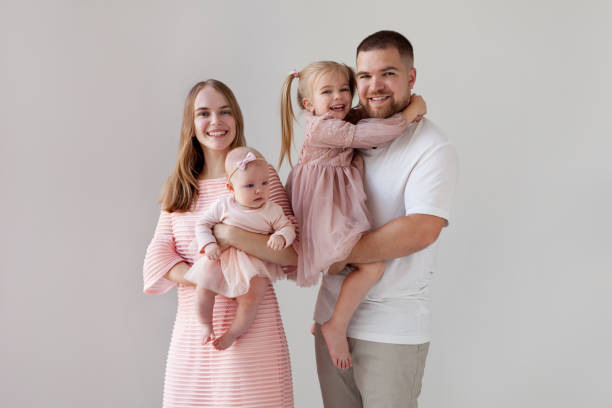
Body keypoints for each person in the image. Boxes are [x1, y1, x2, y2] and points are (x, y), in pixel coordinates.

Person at [312, 31, 459, 408]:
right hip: (331, 320)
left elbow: (421, 229)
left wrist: (339, 253)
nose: (374, 86)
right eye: (363, 76)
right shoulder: (343, 134)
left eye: (387, 73)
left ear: (411, 77)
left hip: (392, 330)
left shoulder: (431, 146)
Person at [143, 80, 296, 407]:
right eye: (204, 113)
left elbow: (293, 254)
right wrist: (210, 276)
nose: (216, 121)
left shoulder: (260, 177)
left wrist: (230, 237)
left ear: (236, 119)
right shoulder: (181, 186)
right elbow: (157, 256)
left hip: (254, 333)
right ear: (191, 125)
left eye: (225, 111)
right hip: (194, 334)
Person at [280, 60, 427, 370]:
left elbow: (362, 119)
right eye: (327, 91)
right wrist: (409, 114)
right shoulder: (325, 127)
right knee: (370, 266)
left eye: (345, 89)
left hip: (330, 209)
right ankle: (335, 324)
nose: (339, 97)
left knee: (340, 266)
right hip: (322, 213)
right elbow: (368, 135)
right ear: (309, 104)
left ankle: (324, 320)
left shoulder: (337, 120)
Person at [184, 146, 296, 350]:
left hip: (251, 262)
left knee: (252, 298)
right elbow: (203, 224)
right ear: (231, 188)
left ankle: (233, 333)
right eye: (249, 185)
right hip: (221, 256)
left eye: (264, 183)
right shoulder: (224, 204)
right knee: (204, 288)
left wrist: (281, 236)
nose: (259, 190)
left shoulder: (272, 209)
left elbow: (288, 228)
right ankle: (206, 325)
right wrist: (208, 244)